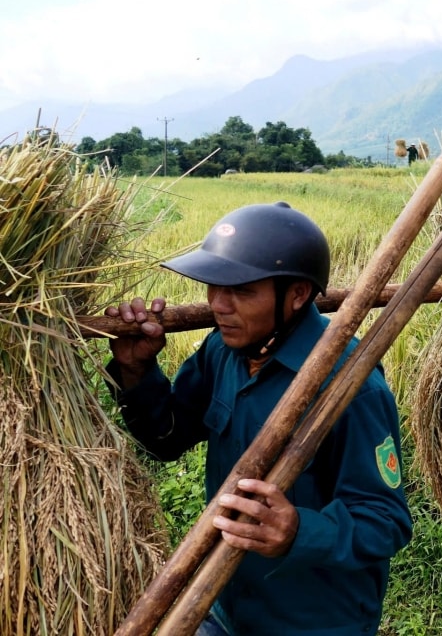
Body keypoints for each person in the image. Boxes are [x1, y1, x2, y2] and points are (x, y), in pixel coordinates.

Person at [105, 201, 412, 635]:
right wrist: (136, 371)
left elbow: (386, 521)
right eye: (214, 287)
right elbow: (166, 439)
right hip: (223, 605)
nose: (218, 305)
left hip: (311, 623)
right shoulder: (223, 350)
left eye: (242, 291)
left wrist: (297, 530)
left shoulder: (352, 386)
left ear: (297, 295)